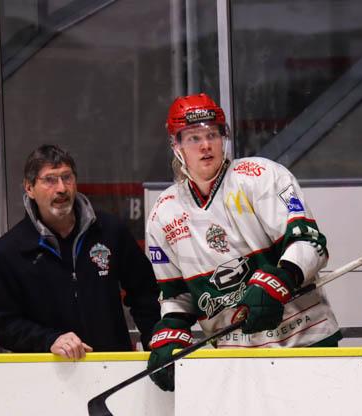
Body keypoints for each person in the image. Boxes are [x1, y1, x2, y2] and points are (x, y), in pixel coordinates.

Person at [145, 93, 341, 390]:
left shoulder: (261, 176)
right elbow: (176, 295)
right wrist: (171, 330)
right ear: (176, 146)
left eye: (212, 135)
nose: (205, 145)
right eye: (194, 138)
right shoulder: (163, 213)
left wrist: (281, 278)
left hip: (305, 339)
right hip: (234, 359)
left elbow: (310, 243)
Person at [0, 144, 160, 358]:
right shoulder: (7, 252)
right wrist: (49, 340)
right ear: (29, 188)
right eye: (49, 180)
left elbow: (145, 293)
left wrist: (155, 340)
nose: (61, 188)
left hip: (112, 366)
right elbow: (2, 324)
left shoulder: (110, 231)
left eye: (67, 177)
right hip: (47, 371)